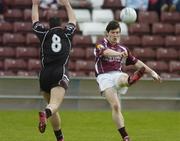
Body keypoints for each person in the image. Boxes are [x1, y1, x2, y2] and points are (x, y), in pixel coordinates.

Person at [94, 20, 161, 141]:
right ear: (107, 33)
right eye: (113, 32)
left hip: (117, 74)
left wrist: (152, 72)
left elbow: (137, 62)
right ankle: (125, 136)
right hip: (103, 76)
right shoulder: (101, 43)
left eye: (118, 33)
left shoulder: (123, 48)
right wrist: (119, 54)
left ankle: (131, 80)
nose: (115, 35)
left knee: (122, 78)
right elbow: (105, 52)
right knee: (115, 106)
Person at [31, 0, 76, 141]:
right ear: (61, 25)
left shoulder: (44, 34)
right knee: (54, 106)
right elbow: (73, 20)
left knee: (52, 106)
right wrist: (67, 4)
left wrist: (35, 4)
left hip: (44, 74)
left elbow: (34, 21)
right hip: (59, 72)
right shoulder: (67, 34)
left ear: (49, 26)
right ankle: (44, 113)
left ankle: (59, 138)